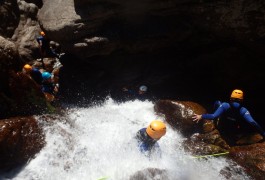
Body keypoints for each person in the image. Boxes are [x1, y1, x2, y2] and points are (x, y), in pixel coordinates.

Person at [192, 89, 265, 145]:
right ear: (242, 100)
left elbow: (214, 116)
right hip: (233, 131)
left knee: (217, 102)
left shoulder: (225, 105)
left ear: (230, 99)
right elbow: (253, 123)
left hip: (221, 126)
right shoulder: (243, 110)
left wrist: (201, 116)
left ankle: (215, 123)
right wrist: (263, 134)